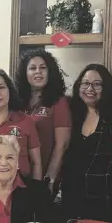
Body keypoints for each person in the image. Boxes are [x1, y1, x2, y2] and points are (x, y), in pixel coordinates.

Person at [61, 64, 112, 223]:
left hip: (109, 200)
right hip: (74, 198)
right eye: (85, 83)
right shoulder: (71, 114)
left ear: (106, 88)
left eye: (97, 84)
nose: (90, 88)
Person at [15, 49, 71, 193]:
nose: (38, 72)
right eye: (32, 68)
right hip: (17, 175)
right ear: (25, 73)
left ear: (49, 72)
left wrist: (50, 178)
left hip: (43, 176)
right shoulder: (17, 103)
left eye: (43, 68)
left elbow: (62, 145)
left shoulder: (58, 102)